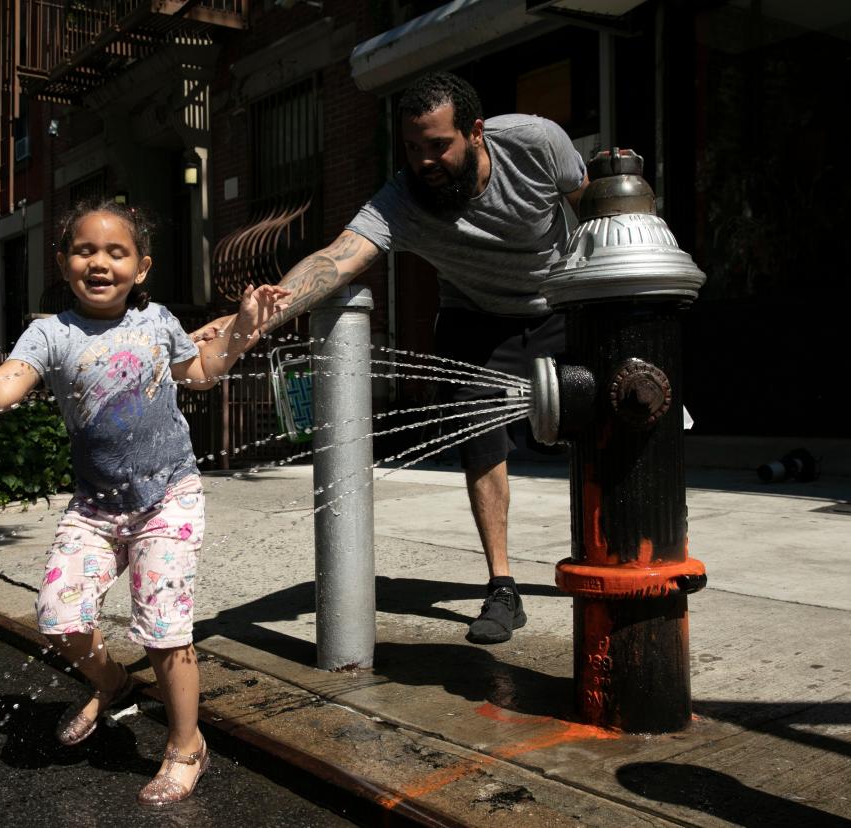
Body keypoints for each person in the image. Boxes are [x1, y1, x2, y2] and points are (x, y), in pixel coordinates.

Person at [0, 199, 286, 804]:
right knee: (58, 616)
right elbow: (7, 380)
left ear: (141, 267)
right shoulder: (50, 333)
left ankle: (187, 744)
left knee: (164, 630)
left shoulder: (159, 321)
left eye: (117, 252)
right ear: (63, 263)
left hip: (169, 496)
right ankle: (111, 682)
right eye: (85, 250)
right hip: (97, 506)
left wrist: (244, 325)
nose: (100, 262)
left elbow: (204, 371)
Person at [203, 71, 588, 645]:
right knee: (481, 444)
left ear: (476, 133)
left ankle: (602, 554)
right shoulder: (402, 198)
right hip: (475, 318)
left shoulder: (535, 142)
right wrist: (252, 321)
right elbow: (335, 260)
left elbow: (598, 208)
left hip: (563, 301)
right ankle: (502, 586)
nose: (425, 161)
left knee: (600, 423)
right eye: (413, 148)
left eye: (438, 145)